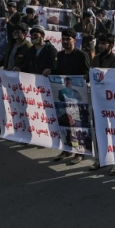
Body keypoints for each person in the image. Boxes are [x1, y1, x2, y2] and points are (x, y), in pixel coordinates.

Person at [47, 28, 90, 164]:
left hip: (76, 98)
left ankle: (79, 152)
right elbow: (59, 71)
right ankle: (66, 149)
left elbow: (87, 73)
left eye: (68, 39)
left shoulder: (82, 55)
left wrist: (80, 78)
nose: (65, 41)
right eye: (63, 39)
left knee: (77, 125)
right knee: (64, 124)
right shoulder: (60, 55)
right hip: (63, 97)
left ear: (74, 40)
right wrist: (51, 71)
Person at [89, 34, 115, 171]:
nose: (100, 46)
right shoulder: (96, 59)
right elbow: (91, 75)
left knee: (114, 131)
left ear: (111, 45)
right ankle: (100, 159)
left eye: (103, 43)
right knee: (99, 131)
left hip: (112, 102)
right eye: (99, 43)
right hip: (98, 101)